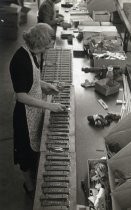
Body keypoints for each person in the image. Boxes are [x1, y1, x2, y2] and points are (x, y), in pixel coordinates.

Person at [9, 23, 66, 196]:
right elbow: (21, 95)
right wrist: (50, 105)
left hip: (34, 109)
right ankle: (29, 186)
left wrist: (47, 86)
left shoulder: (32, 54)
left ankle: (34, 176)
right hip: (24, 115)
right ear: (40, 41)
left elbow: (32, 80)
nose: (48, 48)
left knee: (35, 146)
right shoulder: (20, 60)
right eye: (47, 45)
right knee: (25, 152)